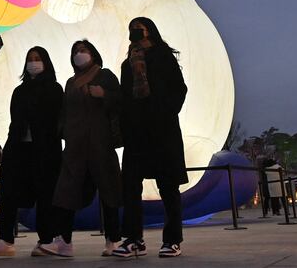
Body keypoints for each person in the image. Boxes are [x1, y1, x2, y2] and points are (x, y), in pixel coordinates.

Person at [39, 40, 122, 258]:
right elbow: (64, 112)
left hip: (100, 144)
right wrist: (63, 131)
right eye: (75, 51)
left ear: (93, 54)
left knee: (108, 192)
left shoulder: (105, 76)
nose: (79, 54)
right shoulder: (70, 82)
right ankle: (64, 242)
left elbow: (120, 102)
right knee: (66, 192)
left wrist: (103, 94)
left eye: (83, 50)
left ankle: (113, 239)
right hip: (75, 147)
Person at [114, 17, 187, 259]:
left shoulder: (164, 57)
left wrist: (163, 112)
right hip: (137, 134)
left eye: (139, 30)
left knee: (168, 186)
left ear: (150, 32)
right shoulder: (127, 65)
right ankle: (134, 238)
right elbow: (124, 98)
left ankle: (173, 239)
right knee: (131, 186)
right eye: (132, 30)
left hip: (162, 131)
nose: (135, 34)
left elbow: (179, 89)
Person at [0, 47, 63, 257]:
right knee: (9, 192)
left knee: (45, 195)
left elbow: (57, 120)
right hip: (18, 147)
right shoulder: (19, 91)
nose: (33, 63)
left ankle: (47, 240)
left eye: (37, 59)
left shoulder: (54, 89)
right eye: (30, 59)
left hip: (44, 149)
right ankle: (5, 240)